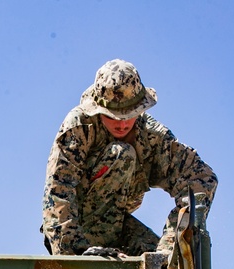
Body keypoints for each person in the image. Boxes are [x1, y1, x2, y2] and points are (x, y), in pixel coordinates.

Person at [42, 59, 217, 257]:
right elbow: (59, 191)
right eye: (113, 116)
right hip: (78, 226)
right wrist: (73, 252)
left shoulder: (152, 136)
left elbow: (202, 177)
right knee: (121, 153)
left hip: (117, 224)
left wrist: (172, 245)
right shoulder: (79, 127)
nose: (122, 124)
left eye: (130, 115)